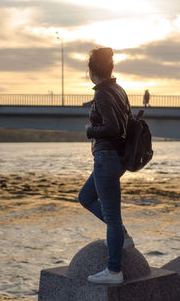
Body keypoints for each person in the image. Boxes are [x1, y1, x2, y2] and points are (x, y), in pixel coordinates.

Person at [78, 47, 134, 285]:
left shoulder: (102, 93)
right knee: (85, 197)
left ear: (93, 72)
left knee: (111, 216)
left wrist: (91, 130)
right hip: (115, 159)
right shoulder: (119, 90)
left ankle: (113, 271)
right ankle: (122, 235)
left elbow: (111, 128)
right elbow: (126, 125)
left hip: (106, 158)